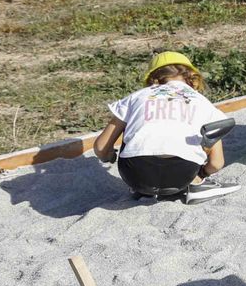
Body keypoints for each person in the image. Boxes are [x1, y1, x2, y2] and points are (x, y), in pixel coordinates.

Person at [93, 51, 226, 200]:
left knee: (135, 124)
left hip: (135, 175)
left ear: (153, 79)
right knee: (200, 133)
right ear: (192, 77)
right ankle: (196, 183)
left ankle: (144, 188)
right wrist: (202, 173)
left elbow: (100, 147)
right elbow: (216, 163)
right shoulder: (203, 103)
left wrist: (109, 156)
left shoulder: (137, 97)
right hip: (183, 175)